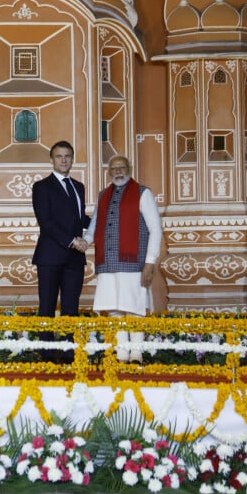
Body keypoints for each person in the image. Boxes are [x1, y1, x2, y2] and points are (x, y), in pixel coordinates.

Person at [81, 155, 162, 362]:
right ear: (109, 172)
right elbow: (94, 226)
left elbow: (155, 229)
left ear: (130, 168)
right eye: (114, 168)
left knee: (133, 309)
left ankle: (136, 353)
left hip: (134, 263)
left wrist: (150, 263)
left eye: (122, 167)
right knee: (115, 309)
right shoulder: (103, 195)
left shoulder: (143, 193)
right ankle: (122, 353)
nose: (118, 171)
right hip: (107, 263)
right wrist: (85, 242)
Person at [32, 141, 90, 361]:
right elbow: (45, 221)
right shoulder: (41, 187)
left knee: (71, 308)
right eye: (59, 156)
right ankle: (46, 356)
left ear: (72, 159)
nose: (64, 160)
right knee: (46, 306)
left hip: (74, 259)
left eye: (67, 156)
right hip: (49, 257)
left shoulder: (79, 186)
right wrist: (71, 241)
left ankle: (68, 355)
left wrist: (104, 221)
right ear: (52, 160)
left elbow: (79, 218)